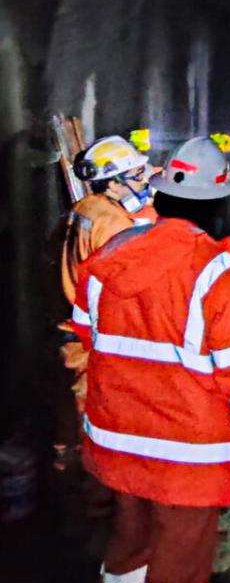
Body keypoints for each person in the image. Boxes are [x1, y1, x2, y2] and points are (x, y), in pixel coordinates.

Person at [70, 135, 230, 583]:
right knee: (177, 581)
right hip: (187, 458)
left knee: (125, 559)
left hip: (118, 450)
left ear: (159, 192)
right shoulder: (220, 273)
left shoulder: (104, 261)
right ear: (218, 203)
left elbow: (90, 340)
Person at [59, 135, 156, 417]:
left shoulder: (85, 207)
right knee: (93, 420)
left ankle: (62, 459)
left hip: (70, 333)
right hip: (92, 340)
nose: (144, 181)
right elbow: (126, 290)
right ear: (113, 183)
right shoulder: (115, 225)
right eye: (137, 175)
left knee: (68, 417)